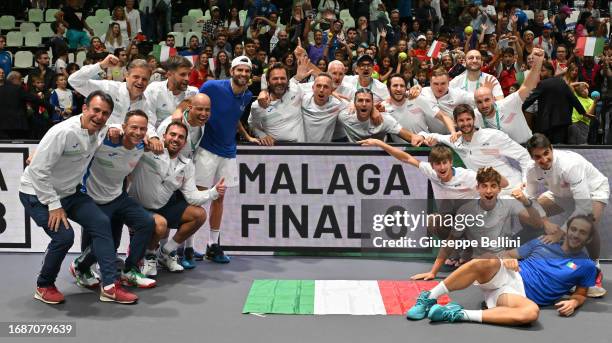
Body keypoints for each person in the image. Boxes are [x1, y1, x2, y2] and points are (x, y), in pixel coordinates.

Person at [19, 90, 138, 304]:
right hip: (37, 192)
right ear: (84, 109)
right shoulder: (63, 132)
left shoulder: (102, 130)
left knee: (102, 222)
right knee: (64, 237)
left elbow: (120, 125)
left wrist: (117, 128)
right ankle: (44, 284)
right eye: (96, 110)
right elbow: (37, 172)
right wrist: (54, 205)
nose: (99, 117)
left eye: (105, 113)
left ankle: (110, 286)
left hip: (70, 192)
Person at [406, 215, 598, 326]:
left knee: (531, 313)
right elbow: (507, 253)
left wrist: (574, 302)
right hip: (510, 274)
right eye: (573, 229)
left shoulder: (587, 265)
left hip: (517, 295)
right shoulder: (542, 241)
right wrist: (507, 259)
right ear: (567, 230)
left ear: (588, 239)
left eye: (582, 232)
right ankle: (429, 297)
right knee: (487, 258)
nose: (575, 234)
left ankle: (457, 314)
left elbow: (581, 294)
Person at [72, 110, 158, 289]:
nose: (138, 132)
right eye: (133, 127)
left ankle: (130, 270)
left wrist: (154, 138)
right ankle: (81, 266)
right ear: (124, 127)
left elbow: (156, 138)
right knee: (105, 242)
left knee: (146, 223)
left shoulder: (142, 145)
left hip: (118, 197)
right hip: (92, 199)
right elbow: (80, 133)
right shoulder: (104, 139)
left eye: (143, 129)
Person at [130, 122, 225, 275]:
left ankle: (166, 252)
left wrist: (213, 192)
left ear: (185, 142)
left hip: (163, 206)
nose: (176, 139)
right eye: (172, 134)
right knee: (160, 224)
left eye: (181, 137)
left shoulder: (186, 164)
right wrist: (149, 138)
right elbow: (136, 130)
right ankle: (150, 256)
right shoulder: (146, 151)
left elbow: (192, 196)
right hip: (138, 207)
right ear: (164, 136)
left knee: (199, 215)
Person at [524, 134, 609, 297]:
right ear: (532, 157)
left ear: (551, 149)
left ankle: (594, 268)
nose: (543, 159)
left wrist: (559, 233)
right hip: (561, 194)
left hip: (592, 191)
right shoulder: (531, 170)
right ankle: (535, 261)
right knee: (527, 215)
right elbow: (531, 197)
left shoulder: (570, 165)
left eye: (546, 153)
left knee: (585, 226)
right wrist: (543, 220)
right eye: (538, 157)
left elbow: (583, 206)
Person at [195, 56, 256, 263]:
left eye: (247, 71)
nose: (244, 74)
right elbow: (194, 105)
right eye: (240, 70)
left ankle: (212, 245)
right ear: (231, 71)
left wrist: (246, 136)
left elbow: (233, 116)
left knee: (219, 198)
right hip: (206, 150)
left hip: (228, 153)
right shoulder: (212, 86)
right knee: (198, 198)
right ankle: (187, 247)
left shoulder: (247, 95)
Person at [415, 104, 533, 195]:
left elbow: (524, 156)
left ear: (474, 119)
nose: (465, 123)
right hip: (489, 193)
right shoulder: (455, 140)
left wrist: (525, 182)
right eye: (461, 120)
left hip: (513, 187)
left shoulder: (494, 135)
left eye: (468, 119)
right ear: (455, 122)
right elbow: (432, 135)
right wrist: (422, 136)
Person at [69, 54, 163, 153]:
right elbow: (74, 81)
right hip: (93, 149)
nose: (140, 82)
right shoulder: (109, 88)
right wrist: (101, 66)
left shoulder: (145, 102)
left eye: (144, 79)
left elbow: (148, 123)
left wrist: (153, 137)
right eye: (136, 77)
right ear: (126, 75)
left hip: (121, 154)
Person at [473, 48, 544, 144]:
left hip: (525, 146)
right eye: (479, 102)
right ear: (475, 104)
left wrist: (538, 62)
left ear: (494, 99)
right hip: (501, 152)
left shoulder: (509, 103)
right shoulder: (475, 115)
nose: (484, 105)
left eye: (487, 100)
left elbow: (527, 86)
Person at [383, 74, 457, 142]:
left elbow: (443, 116)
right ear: (388, 88)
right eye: (395, 85)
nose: (399, 89)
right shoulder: (383, 107)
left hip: (425, 145)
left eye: (402, 86)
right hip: (401, 150)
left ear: (406, 88)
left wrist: (453, 132)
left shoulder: (417, 99)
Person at [338, 88, 418, 143]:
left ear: (372, 104)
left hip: (379, 156)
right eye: (360, 100)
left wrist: (422, 139)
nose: (364, 104)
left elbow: (409, 136)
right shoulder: (344, 117)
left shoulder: (384, 119)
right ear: (354, 103)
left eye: (368, 101)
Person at [144, 56, 199, 127]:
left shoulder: (193, 92)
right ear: (169, 74)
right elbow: (148, 122)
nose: (187, 79)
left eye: (189, 74)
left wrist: (180, 109)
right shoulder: (153, 89)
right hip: (157, 135)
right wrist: (154, 137)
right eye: (182, 74)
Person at [0, 71, 46, 139]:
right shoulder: (18, 89)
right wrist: (52, 107)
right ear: (13, 79)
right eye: (20, 79)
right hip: (17, 125)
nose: (22, 81)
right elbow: (34, 99)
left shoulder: (4, 88)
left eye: (3, 73)